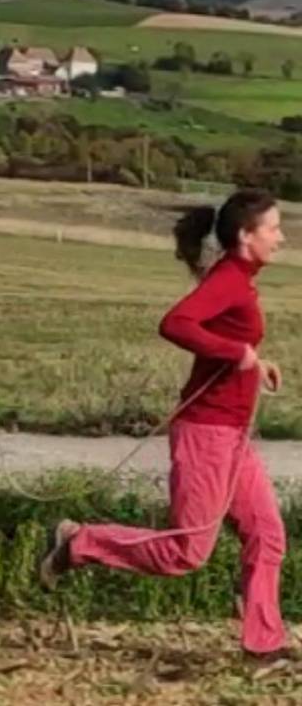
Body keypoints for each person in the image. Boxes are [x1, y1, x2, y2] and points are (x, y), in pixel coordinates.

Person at [39, 188, 289, 660]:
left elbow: (222, 335)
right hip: (207, 432)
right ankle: (79, 542)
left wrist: (256, 362)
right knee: (187, 553)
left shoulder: (238, 277)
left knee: (267, 533)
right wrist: (237, 353)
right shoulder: (230, 279)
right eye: (274, 229)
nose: (281, 238)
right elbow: (176, 323)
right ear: (245, 235)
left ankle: (263, 642)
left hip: (232, 434)